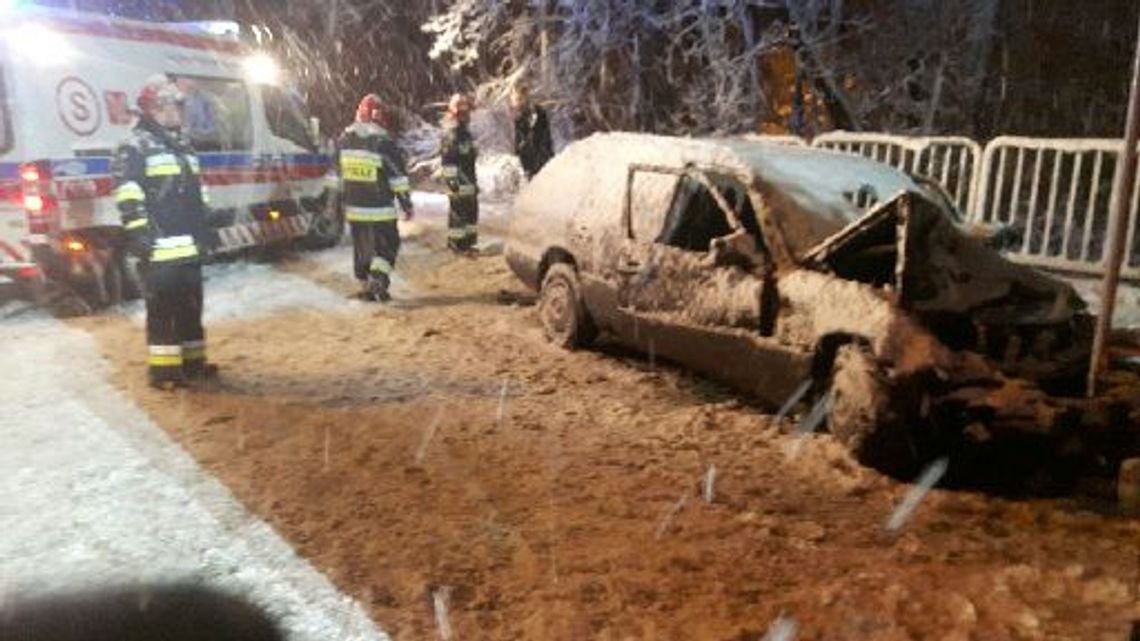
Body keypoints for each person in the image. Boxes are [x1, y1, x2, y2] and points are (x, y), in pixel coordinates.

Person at [111, 74, 214, 390]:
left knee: (191, 307)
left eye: (176, 107)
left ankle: (194, 363)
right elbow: (128, 193)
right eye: (165, 107)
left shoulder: (183, 145)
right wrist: (139, 233)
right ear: (149, 110)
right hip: (158, 246)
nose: (173, 113)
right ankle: (165, 373)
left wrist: (205, 227)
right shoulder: (134, 146)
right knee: (162, 311)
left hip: (187, 245)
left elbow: (198, 192)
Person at [336, 93, 414, 301]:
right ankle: (377, 280)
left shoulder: (344, 140)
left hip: (354, 210)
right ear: (380, 116)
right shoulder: (383, 142)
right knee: (388, 244)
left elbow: (335, 174)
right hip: (380, 209)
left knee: (362, 248)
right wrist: (406, 203)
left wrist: (334, 203)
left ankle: (365, 282)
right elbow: (397, 177)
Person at [439, 92, 479, 253]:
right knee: (458, 217)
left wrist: (474, 184)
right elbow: (448, 161)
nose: (465, 116)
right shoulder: (451, 135)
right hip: (458, 186)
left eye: (466, 113)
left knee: (470, 216)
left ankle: (468, 244)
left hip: (468, 185)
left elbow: (469, 162)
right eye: (462, 113)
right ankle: (457, 246)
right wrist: (453, 184)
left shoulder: (466, 134)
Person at [510, 82, 553, 179]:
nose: (515, 103)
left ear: (525, 97)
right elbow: (519, 144)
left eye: (518, 99)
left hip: (543, 165)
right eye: (514, 100)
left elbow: (544, 139)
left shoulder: (537, 112)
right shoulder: (518, 119)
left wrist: (542, 161)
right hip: (530, 168)